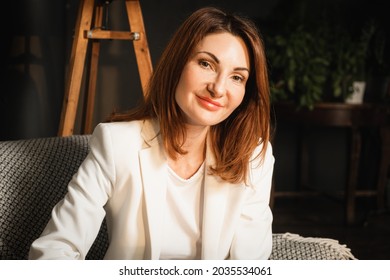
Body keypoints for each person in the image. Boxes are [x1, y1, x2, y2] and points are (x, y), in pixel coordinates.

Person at [29, 6, 275, 260]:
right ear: (177, 64)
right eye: (206, 64)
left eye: (237, 77)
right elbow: (54, 249)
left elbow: (250, 266)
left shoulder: (254, 156)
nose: (218, 88)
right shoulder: (117, 143)